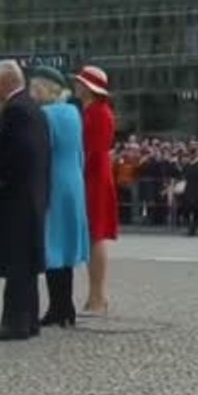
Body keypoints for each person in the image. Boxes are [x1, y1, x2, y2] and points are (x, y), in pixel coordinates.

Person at [0, 59, 50, 342]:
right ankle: (29, 319)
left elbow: (19, 155)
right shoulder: (32, 107)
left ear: (3, 83)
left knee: (17, 263)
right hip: (31, 195)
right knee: (25, 262)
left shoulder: (15, 111)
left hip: (16, 197)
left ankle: (15, 323)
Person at [30, 66, 89, 329]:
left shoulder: (46, 114)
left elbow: (42, 152)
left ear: (44, 88)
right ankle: (66, 307)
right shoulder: (73, 112)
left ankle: (58, 307)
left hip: (54, 181)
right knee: (65, 245)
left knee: (53, 244)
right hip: (73, 180)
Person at [73, 65, 118, 316]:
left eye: (80, 82)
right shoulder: (93, 111)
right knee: (93, 236)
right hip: (94, 175)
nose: (77, 86)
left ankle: (98, 297)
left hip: (95, 177)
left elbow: (92, 150)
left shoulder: (98, 113)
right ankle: (95, 296)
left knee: (96, 235)